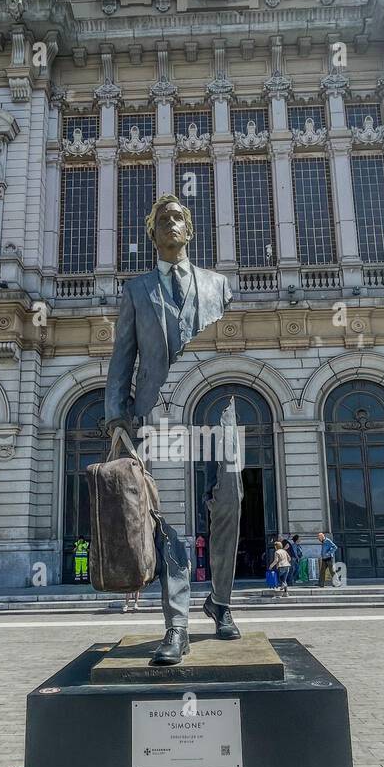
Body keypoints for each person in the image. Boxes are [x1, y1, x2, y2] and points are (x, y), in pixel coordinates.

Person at [105, 193, 241, 664]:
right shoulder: (137, 290)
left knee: (230, 502)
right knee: (171, 521)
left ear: (190, 229)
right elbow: (121, 360)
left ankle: (220, 601)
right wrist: (117, 417)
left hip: (219, 411)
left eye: (178, 217)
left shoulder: (219, 286)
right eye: (162, 219)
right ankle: (176, 625)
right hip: (156, 415)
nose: (171, 224)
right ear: (153, 233)